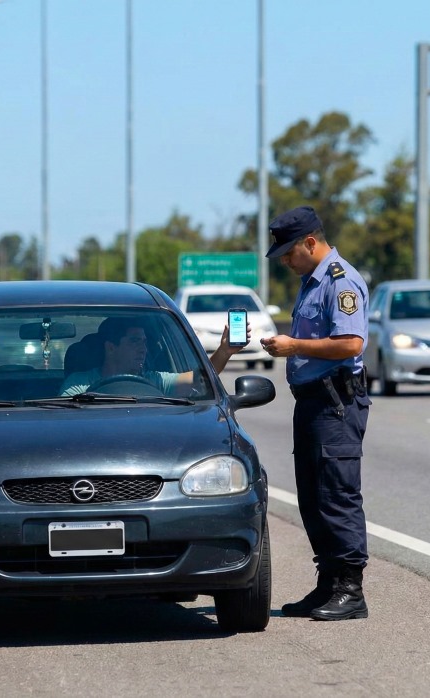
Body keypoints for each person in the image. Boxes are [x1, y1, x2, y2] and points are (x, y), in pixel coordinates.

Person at [259, 205, 371, 622]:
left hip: (335, 401)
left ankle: (350, 588)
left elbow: (350, 344)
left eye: (290, 253)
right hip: (312, 400)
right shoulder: (311, 282)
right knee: (313, 495)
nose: (286, 262)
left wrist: (294, 347)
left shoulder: (340, 281)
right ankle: (327, 583)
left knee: (337, 494)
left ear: (311, 242)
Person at [60, 316, 246, 396]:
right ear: (110, 348)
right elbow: (66, 419)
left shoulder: (155, 380)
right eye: (134, 341)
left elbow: (200, 380)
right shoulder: (80, 384)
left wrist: (224, 352)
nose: (143, 349)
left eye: (144, 342)